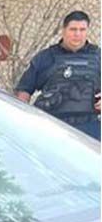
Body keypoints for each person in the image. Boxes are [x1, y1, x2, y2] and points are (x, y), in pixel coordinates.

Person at [15, 10, 101, 139]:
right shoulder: (45, 57)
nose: (77, 34)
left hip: (89, 127)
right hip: (51, 126)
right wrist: (22, 120)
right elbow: (24, 91)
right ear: (64, 30)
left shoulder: (98, 57)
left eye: (82, 30)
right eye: (73, 29)